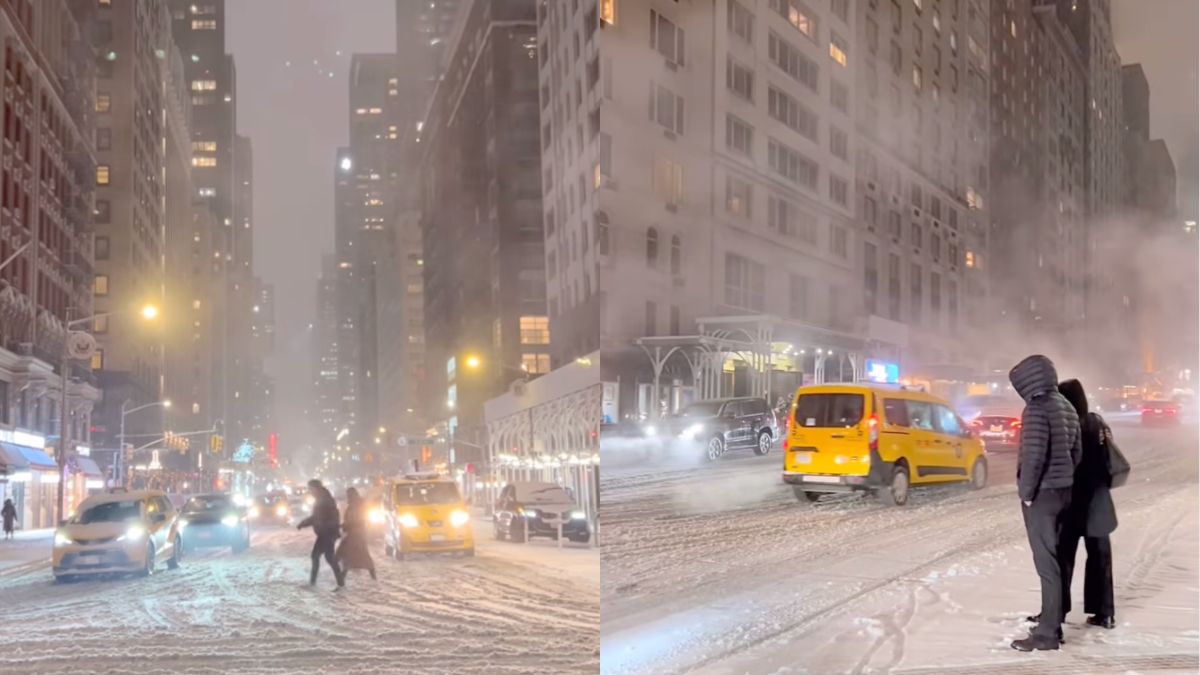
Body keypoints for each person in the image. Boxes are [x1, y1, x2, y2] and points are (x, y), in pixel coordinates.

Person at [1009, 355, 1081, 652]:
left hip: (1043, 494)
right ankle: (1054, 619)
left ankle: (1048, 633)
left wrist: (1027, 492)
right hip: (1064, 490)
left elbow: (1033, 457)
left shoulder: (1037, 408)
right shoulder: (1066, 406)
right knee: (1058, 559)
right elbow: (1076, 452)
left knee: (1046, 562)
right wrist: (1065, 478)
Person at [1053, 378, 1118, 629]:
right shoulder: (1098, 423)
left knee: (1062, 559)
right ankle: (1105, 613)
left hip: (1071, 501)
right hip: (1099, 500)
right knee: (1100, 559)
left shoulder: (1067, 425)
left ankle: (1057, 612)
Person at [297, 479, 345, 589]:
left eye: (310, 489)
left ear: (316, 488)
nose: (309, 491)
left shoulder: (324, 500)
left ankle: (340, 583)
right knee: (318, 556)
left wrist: (303, 523)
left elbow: (317, 517)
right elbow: (317, 517)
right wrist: (304, 523)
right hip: (325, 533)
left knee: (327, 557)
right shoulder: (322, 498)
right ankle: (315, 583)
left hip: (328, 533)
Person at [336, 488, 377, 580]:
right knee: (354, 554)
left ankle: (342, 576)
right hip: (354, 533)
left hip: (356, 534)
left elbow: (357, 520)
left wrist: (345, 526)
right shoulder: (354, 505)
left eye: (348, 495)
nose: (347, 497)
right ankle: (343, 575)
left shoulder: (357, 505)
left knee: (351, 554)